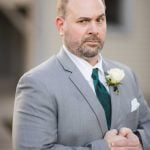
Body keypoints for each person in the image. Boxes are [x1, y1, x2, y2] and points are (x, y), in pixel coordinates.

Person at [12, 0, 150, 149]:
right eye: (83, 21)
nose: (94, 30)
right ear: (61, 26)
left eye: (100, 19)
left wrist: (139, 141)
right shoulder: (36, 83)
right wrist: (104, 147)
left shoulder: (127, 75)